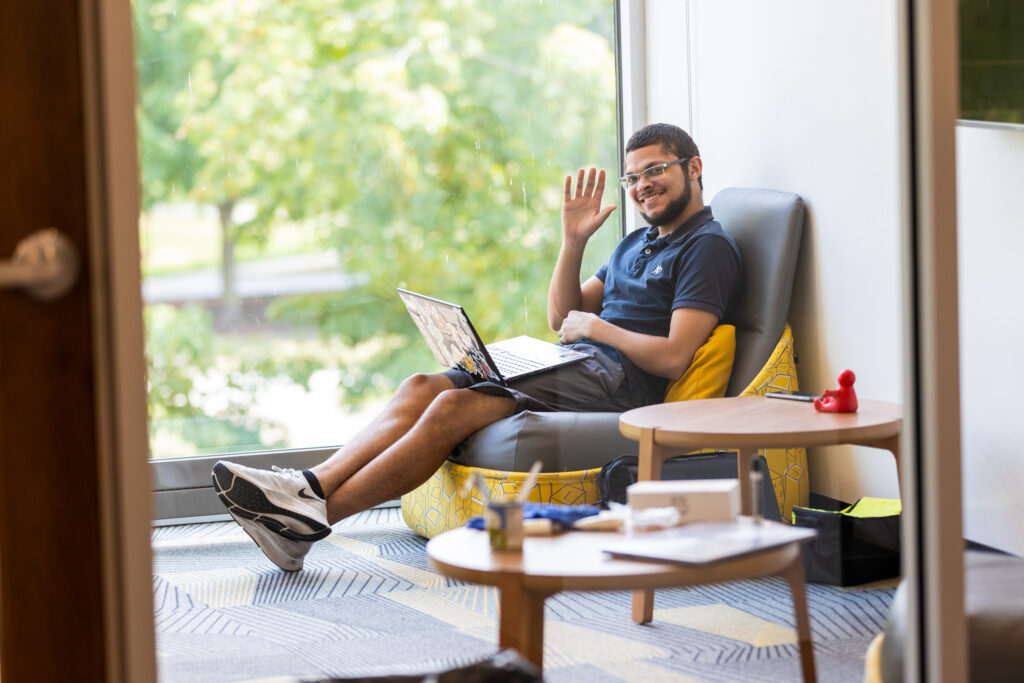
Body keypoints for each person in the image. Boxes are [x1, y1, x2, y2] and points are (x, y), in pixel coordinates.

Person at [212, 123, 743, 570]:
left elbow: (674, 356)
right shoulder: (635, 242)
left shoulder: (706, 247)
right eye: (634, 176)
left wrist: (598, 329)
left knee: (451, 405)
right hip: (578, 364)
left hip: (617, 384)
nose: (643, 185)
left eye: (656, 170)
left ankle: (311, 517)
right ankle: (307, 488)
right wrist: (573, 242)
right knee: (422, 385)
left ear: (693, 169)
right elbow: (561, 315)